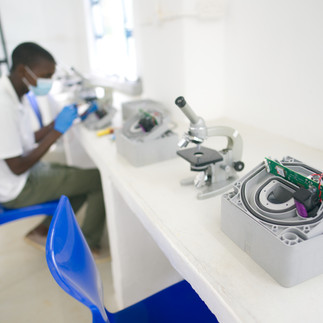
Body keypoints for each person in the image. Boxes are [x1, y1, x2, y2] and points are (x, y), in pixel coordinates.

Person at [0, 42, 106, 256]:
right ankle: (88, 247)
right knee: (97, 180)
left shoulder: (16, 92)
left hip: (24, 174)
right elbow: (17, 167)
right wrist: (57, 132)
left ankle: (42, 230)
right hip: (16, 187)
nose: (48, 81)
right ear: (22, 70)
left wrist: (56, 123)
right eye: (46, 75)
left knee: (77, 176)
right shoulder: (3, 103)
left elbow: (26, 139)